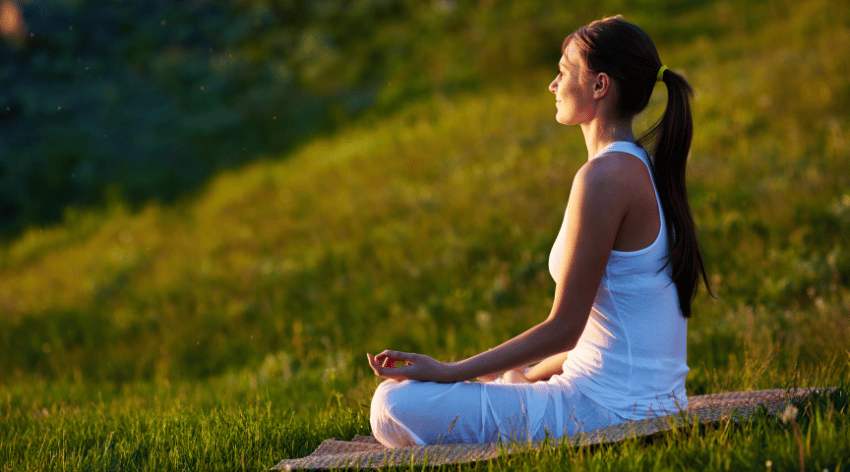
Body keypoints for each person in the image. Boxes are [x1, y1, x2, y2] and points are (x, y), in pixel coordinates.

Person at [367, 15, 711, 448]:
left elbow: (565, 326)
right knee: (414, 396)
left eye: (564, 71)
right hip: (630, 401)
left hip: (607, 413)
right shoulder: (636, 167)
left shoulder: (605, 178)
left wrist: (450, 370)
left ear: (599, 86)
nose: (553, 84)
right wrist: (523, 375)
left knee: (392, 404)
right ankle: (514, 385)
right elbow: (602, 332)